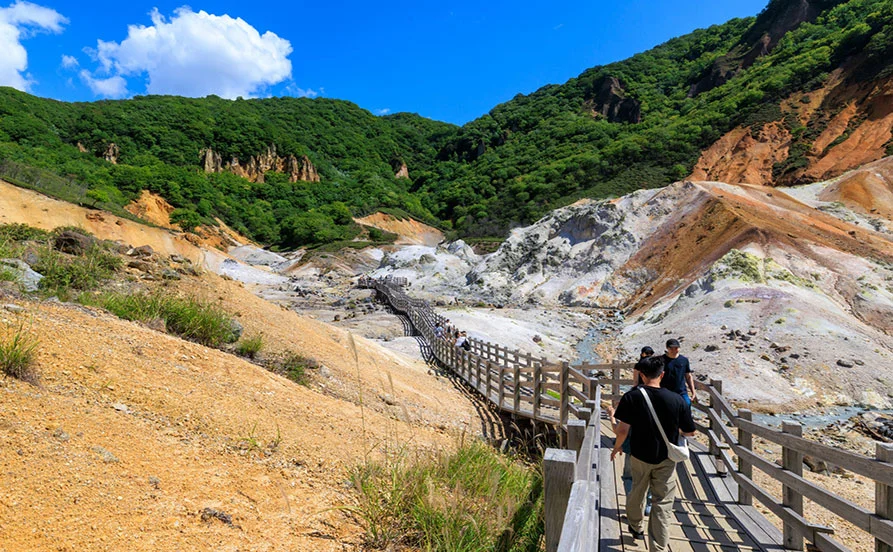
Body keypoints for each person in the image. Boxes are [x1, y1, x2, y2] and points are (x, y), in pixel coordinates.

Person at [611, 355, 696, 550]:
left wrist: (617, 448)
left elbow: (623, 430)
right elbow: (690, 431)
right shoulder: (676, 400)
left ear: (641, 375)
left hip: (639, 455)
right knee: (663, 503)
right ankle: (657, 548)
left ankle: (635, 525)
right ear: (662, 374)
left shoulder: (631, 397)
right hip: (666, 458)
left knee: (636, 492)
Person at [661, 338, 696, 406]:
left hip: (681, 391)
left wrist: (693, 392)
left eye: (676, 348)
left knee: (687, 404)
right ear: (667, 348)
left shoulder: (684, 360)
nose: (674, 350)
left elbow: (688, 376)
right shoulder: (661, 360)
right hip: (666, 392)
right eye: (671, 348)